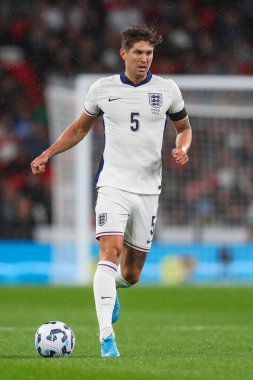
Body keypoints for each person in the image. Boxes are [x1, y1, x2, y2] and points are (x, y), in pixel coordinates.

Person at [31, 24, 192, 358]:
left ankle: (112, 291)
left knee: (131, 275)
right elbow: (78, 129)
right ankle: (107, 337)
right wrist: (48, 153)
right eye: (138, 53)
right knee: (109, 253)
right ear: (124, 53)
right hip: (113, 184)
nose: (145, 59)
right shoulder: (103, 89)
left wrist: (182, 147)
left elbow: (184, 128)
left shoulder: (167, 90)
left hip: (148, 189)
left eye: (149, 53)